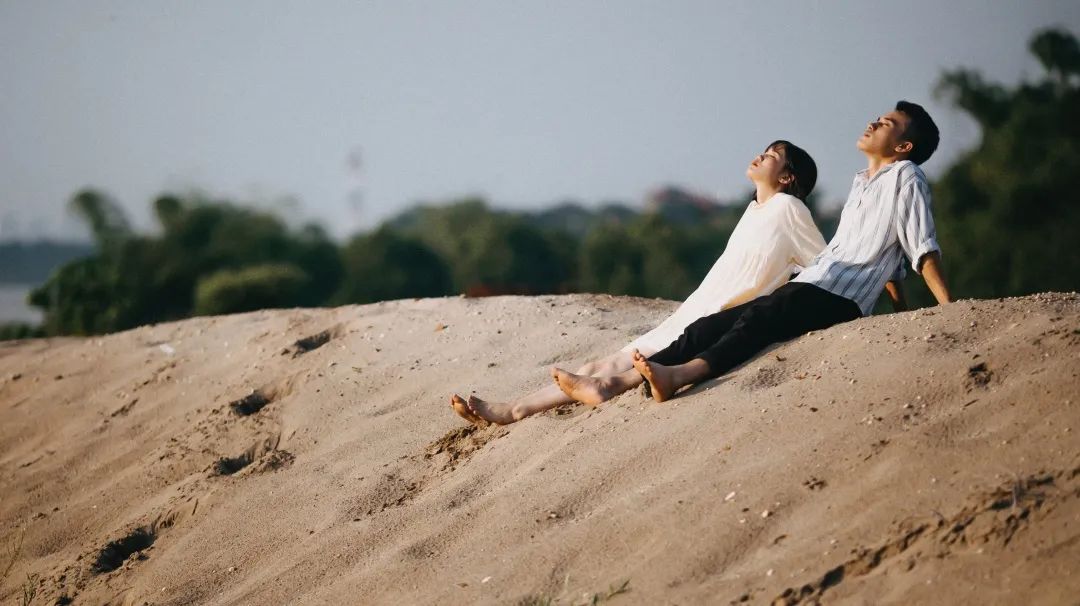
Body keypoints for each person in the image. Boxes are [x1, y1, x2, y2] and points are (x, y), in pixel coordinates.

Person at [552, 100, 950, 405]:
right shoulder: (863, 183)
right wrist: (901, 315)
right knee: (708, 327)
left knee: (759, 318)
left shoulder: (907, 176)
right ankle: (615, 383)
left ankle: (678, 376)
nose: (873, 123)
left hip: (839, 296)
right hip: (816, 284)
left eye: (887, 124)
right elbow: (892, 264)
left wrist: (948, 311)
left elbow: (921, 248)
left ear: (904, 146)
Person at [452, 139, 836, 425]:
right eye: (764, 150)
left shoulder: (790, 208)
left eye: (771, 156)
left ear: (787, 176)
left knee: (611, 366)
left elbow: (822, 265)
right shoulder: (755, 210)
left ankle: (513, 411)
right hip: (695, 309)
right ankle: (515, 407)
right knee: (598, 362)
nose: (760, 155)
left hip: (715, 319)